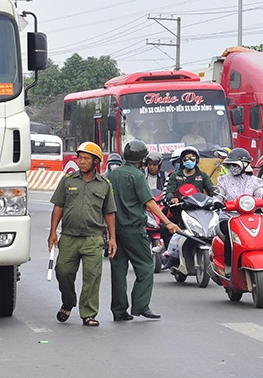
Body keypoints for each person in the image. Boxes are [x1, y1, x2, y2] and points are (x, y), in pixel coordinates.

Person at [107, 140, 179, 322]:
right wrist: (168, 222)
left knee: (118, 270)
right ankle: (140, 305)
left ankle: (119, 310)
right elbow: (150, 202)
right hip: (133, 229)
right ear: (141, 158)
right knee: (146, 266)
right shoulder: (138, 176)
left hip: (115, 229)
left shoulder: (113, 175)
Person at [48, 142, 116, 327]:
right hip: (69, 237)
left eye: (86, 158)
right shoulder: (68, 180)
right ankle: (68, 302)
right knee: (63, 272)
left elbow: (109, 212)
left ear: (96, 161)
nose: (82, 161)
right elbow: (58, 207)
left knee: (92, 277)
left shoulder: (104, 185)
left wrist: (113, 239)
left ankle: (88, 313)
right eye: (80, 158)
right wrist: (53, 231)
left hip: (93, 238)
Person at [214, 148, 263, 294]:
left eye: (236, 164)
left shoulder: (254, 181)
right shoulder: (223, 181)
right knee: (228, 234)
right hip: (229, 217)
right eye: (231, 165)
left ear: (245, 164)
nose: (233, 168)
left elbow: (260, 193)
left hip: (251, 217)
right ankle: (228, 266)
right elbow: (219, 194)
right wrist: (217, 202)